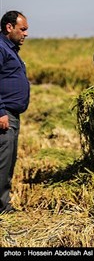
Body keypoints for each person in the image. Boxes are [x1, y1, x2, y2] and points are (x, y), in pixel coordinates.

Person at [0, 11, 30, 214]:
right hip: (4, 114)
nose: (26, 34)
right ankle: (2, 207)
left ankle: (4, 204)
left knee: (9, 159)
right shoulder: (1, 48)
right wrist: (0, 110)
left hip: (11, 113)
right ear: (9, 27)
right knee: (3, 160)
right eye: (23, 29)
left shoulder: (10, 48)